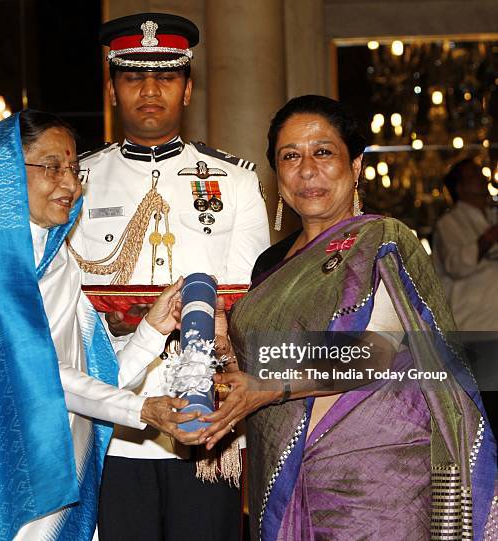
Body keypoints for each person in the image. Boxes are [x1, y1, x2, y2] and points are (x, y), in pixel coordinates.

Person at [0, 110, 205, 540]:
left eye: (73, 168)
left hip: (55, 482)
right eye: (51, 167)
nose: (71, 184)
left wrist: (153, 328)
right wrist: (141, 410)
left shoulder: (60, 263)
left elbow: (96, 379)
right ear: (6, 174)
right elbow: (39, 375)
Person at [198, 95, 497, 540]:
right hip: (282, 475)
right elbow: (252, 364)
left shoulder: (384, 241)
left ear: (355, 165)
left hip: (375, 479)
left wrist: (266, 386)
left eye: (323, 152)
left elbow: (376, 351)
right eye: (290, 156)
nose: (307, 169)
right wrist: (219, 349)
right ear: (277, 174)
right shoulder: (269, 265)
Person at [68, 12, 270, 541]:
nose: (150, 89)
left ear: (187, 88)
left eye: (166, 76)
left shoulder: (236, 181)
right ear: (112, 89)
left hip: (208, 425)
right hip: (112, 423)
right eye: (133, 77)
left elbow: (249, 303)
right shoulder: (76, 180)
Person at [433, 158, 498, 432]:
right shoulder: (449, 224)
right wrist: (488, 238)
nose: (482, 179)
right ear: (459, 187)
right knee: (486, 413)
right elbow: (457, 264)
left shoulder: (493, 215)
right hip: (474, 331)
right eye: (474, 175)